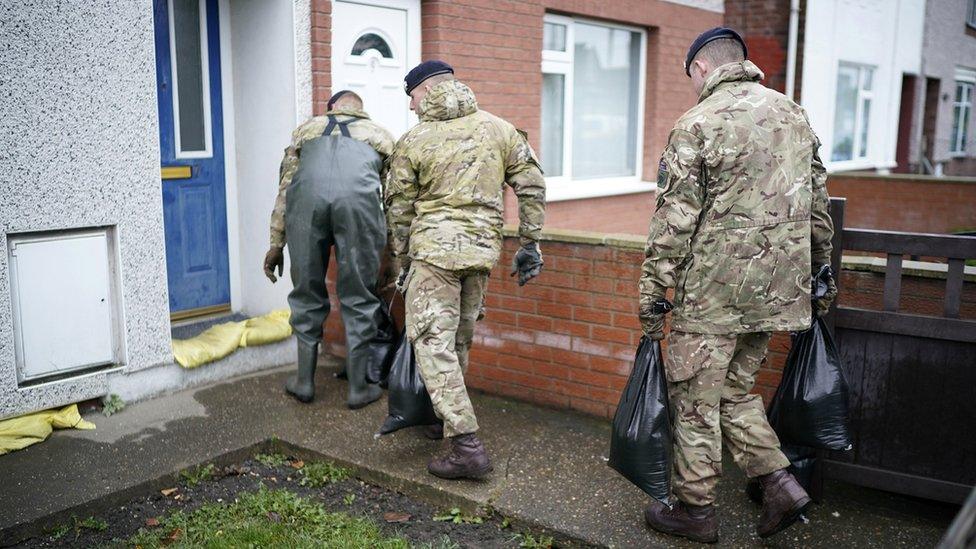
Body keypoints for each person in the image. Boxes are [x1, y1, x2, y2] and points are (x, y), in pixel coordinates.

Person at [637, 28, 837, 543]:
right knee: (734, 392)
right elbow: (818, 206)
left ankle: (695, 511)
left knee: (696, 402)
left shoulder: (698, 122)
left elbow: (672, 222)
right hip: (780, 292)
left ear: (701, 68)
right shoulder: (794, 114)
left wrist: (652, 297)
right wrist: (820, 277)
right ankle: (778, 483)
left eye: (689, 77)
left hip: (714, 296)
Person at [386, 60, 546, 480]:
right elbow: (531, 182)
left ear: (425, 91)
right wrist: (529, 241)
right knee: (458, 338)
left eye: (412, 98)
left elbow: (398, 210)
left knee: (431, 343)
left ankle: (466, 446)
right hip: (480, 252)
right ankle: (446, 419)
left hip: (434, 255)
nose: (411, 107)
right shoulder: (500, 129)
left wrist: (402, 261)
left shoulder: (414, 140)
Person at [263, 90, 396, 409]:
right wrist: (395, 252)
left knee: (307, 293)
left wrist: (276, 243)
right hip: (359, 211)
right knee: (359, 297)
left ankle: (304, 383)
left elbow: (285, 189)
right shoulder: (381, 136)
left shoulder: (305, 131)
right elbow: (394, 199)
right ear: (360, 110)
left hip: (305, 211)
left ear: (331, 109)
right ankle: (358, 388)